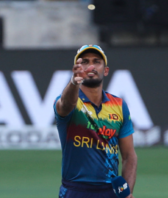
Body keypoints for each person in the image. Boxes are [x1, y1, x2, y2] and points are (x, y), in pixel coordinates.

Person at [54, 45, 137, 198]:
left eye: (96, 61)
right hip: (75, 190)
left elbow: (129, 156)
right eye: (85, 62)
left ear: (105, 70)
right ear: (76, 69)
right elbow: (65, 105)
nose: (91, 66)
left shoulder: (119, 105)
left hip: (110, 191)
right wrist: (74, 82)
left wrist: (127, 192)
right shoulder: (69, 101)